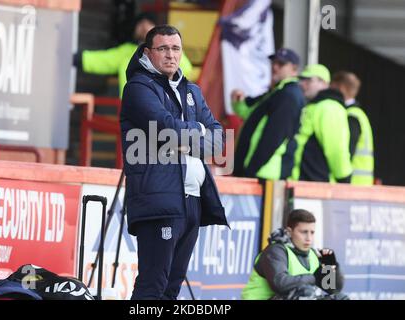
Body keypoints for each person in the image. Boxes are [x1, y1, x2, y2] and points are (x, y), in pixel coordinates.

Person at [120, 25, 228, 300]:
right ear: (148, 53)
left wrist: (188, 137)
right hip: (160, 200)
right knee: (152, 286)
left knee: (171, 288)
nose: (170, 55)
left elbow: (218, 140)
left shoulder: (191, 90)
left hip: (192, 200)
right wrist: (198, 133)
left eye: (175, 48)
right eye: (163, 48)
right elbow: (166, 129)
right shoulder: (138, 88)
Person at [75, 13, 193, 97]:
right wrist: (79, 59)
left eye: (148, 24)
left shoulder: (168, 49)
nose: (144, 27)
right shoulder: (128, 52)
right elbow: (105, 60)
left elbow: (185, 67)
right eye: (140, 24)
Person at [232, 48, 306, 180]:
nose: (274, 67)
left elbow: (274, 137)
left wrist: (251, 169)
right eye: (273, 63)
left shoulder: (288, 95)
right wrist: (238, 102)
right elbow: (249, 113)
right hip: (261, 172)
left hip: (265, 174)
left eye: (281, 64)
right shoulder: (278, 91)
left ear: (294, 69)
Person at [241, 209, 345, 300]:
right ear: (290, 232)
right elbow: (280, 284)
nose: (308, 238)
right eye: (304, 232)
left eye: (312, 232)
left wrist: (331, 267)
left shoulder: (313, 254)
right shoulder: (275, 251)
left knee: (341, 298)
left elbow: (333, 289)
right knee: (304, 294)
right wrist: (314, 277)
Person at [291, 64, 352, 183]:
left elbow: (336, 149)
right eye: (302, 80)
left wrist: (343, 179)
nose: (303, 84)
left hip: (316, 186)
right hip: (304, 183)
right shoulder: (313, 106)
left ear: (323, 83)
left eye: (309, 80)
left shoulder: (329, 107)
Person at [331, 71, 374, 185]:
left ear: (341, 87)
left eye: (332, 87)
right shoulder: (358, 114)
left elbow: (347, 151)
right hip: (359, 184)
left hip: (352, 184)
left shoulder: (351, 116)